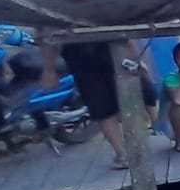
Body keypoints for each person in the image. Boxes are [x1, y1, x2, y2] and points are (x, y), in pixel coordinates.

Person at [54, 40, 158, 170]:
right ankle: (124, 153)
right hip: (85, 52)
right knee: (103, 106)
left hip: (107, 47)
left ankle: (129, 150)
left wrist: (136, 57)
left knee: (140, 92)